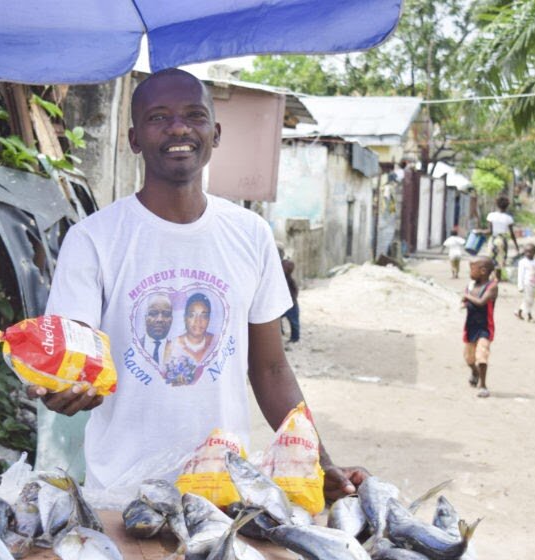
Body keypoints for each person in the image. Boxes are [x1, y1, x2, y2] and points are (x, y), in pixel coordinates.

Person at [27, 68, 366, 500]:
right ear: (133, 139)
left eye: (194, 115)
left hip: (223, 491)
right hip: (122, 495)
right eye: (158, 117)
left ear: (216, 133)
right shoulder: (94, 239)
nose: (180, 127)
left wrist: (321, 461)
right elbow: (71, 358)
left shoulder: (250, 234)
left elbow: (271, 368)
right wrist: (64, 386)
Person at [462, 256, 498, 398]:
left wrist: (467, 296)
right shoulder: (471, 286)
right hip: (471, 326)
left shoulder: (492, 287)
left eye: (472, 269)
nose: (470, 272)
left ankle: (483, 385)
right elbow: (468, 302)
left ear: (483, 271)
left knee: (481, 356)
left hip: (485, 327)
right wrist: (465, 301)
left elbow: (482, 302)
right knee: (469, 359)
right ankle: (475, 371)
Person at [486, 196, 519, 278]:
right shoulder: (509, 218)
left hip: (493, 240)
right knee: (500, 262)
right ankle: (497, 280)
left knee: (491, 260)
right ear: (507, 206)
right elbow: (512, 234)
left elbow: (489, 231)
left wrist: (479, 232)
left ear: (497, 205)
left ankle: (490, 280)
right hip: (502, 241)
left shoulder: (491, 216)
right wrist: (516, 246)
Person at [140, 293, 174, 363]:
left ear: (171, 320)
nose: (160, 319)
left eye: (166, 314)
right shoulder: (134, 347)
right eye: (153, 313)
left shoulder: (178, 353)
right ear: (145, 318)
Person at [515, 244, 535, 321]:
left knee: (530, 300)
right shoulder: (522, 262)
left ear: (534, 253)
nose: (528, 254)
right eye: (526, 252)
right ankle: (529, 316)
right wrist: (520, 286)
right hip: (527, 284)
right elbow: (520, 275)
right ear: (524, 252)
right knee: (529, 300)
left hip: (534, 284)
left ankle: (519, 312)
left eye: (530, 252)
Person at [278, 244, 300, 342]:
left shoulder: (285, 266)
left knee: (294, 321)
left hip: (291, 302)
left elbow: (289, 267)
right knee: (276, 320)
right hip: (280, 301)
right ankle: (279, 334)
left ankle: (295, 338)